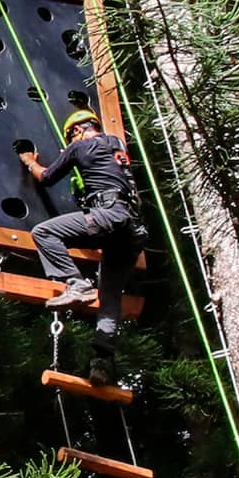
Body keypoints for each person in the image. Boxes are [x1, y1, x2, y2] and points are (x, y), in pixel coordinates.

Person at [15, 105, 144, 387]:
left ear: (77, 130)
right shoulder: (116, 148)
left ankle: (75, 283)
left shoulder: (81, 146)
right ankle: (102, 363)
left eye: (70, 136)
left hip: (109, 215)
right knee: (110, 298)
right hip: (132, 230)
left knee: (44, 232)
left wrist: (29, 161)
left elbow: (47, 178)